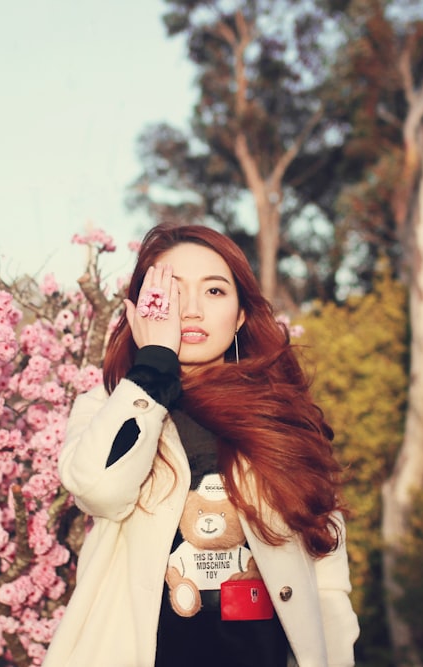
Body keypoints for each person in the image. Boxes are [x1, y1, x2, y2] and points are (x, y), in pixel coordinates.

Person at [44, 224, 359, 667]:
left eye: (214, 292)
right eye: (170, 291)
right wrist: (153, 371)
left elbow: (326, 577)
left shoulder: (284, 418)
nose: (191, 310)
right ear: (140, 310)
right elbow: (99, 490)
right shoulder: (109, 406)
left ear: (241, 315)